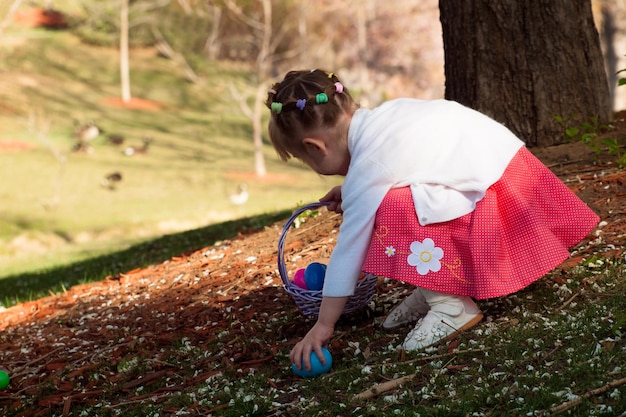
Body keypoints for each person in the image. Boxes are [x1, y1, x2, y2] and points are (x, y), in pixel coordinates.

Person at [266, 69, 600, 372]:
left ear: (315, 147)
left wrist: (323, 325)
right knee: (389, 201)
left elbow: (348, 250)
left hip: (493, 195)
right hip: (507, 175)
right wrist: (353, 191)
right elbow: (406, 166)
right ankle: (436, 286)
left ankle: (451, 305)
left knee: (388, 209)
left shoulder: (369, 166)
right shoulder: (383, 118)